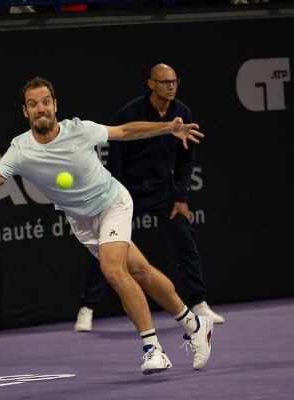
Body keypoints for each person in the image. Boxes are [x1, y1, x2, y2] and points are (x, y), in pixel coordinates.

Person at [0, 77, 214, 375]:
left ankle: (153, 348)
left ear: (55, 105)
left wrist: (166, 127)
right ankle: (195, 325)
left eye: (46, 102)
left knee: (113, 269)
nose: (41, 108)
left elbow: (125, 131)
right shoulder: (21, 150)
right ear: (25, 111)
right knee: (141, 271)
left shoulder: (81, 130)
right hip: (82, 221)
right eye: (33, 104)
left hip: (113, 203)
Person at [74, 64, 224, 333]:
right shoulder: (130, 112)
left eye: (175, 81)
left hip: (162, 192)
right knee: (107, 247)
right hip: (127, 190)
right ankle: (88, 308)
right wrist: (112, 196)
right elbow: (116, 159)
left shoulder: (183, 113)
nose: (171, 86)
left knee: (185, 240)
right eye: (165, 81)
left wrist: (180, 197)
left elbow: (186, 161)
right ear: (151, 84)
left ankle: (199, 303)